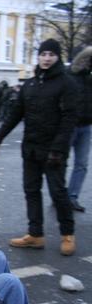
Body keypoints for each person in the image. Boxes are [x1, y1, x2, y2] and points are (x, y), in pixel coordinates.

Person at [0, 38, 77, 256]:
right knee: (31, 191)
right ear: (38, 57)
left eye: (51, 55)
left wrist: (58, 149)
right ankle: (35, 234)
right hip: (31, 148)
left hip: (54, 151)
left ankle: (68, 234)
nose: (46, 59)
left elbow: (69, 120)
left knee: (58, 192)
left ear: (57, 57)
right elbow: (15, 114)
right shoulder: (30, 84)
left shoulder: (66, 83)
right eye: (43, 54)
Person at [67, 46, 92, 212]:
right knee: (58, 163)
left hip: (86, 125)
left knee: (81, 164)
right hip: (69, 125)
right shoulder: (70, 76)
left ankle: (72, 197)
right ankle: (60, 195)